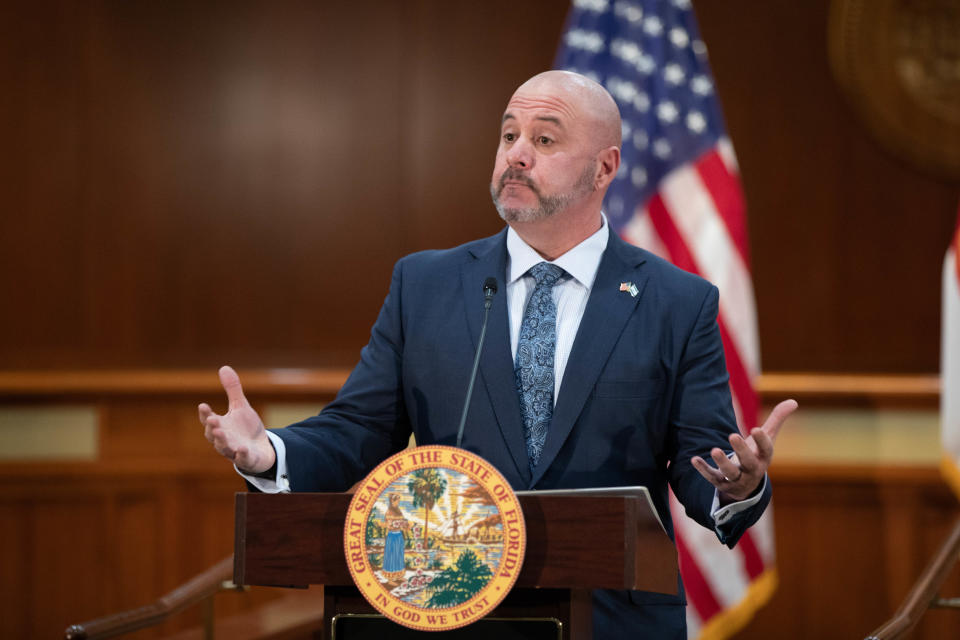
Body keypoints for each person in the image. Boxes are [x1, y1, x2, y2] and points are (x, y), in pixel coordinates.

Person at [199, 70, 797, 639]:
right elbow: (359, 428)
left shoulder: (677, 302)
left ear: (604, 168)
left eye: (543, 140)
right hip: (450, 608)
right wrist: (267, 452)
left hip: (614, 619)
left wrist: (737, 486)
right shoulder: (425, 285)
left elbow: (702, 462)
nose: (516, 154)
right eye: (509, 135)